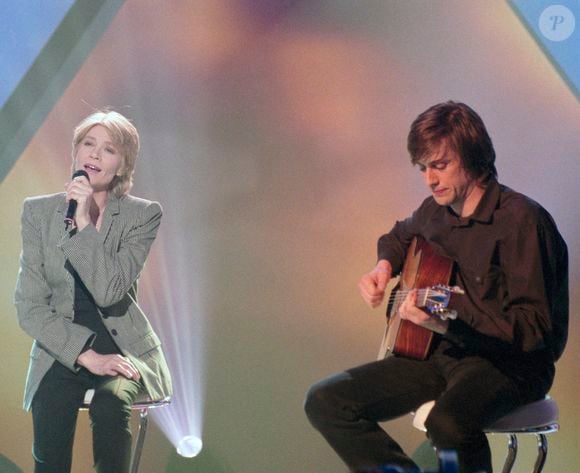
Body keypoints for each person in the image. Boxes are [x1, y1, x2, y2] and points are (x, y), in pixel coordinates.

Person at [304, 101, 568, 473]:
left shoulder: (523, 221)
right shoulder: (435, 212)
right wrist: (383, 267)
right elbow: (398, 236)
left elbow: (534, 330)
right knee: (327, 401)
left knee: (447, 424)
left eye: (440, 165)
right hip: (444, 355)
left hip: (511, 366)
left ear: (472, 159)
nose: (430, 178)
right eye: (423, 167)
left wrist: (448, 322)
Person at [15, 110, 173, 473]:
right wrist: (85, 355)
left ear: (122, 166)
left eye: (109, 149)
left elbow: (108, 291)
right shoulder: (38, 213)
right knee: (51, 410)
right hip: (62, 347)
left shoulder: (142, 215)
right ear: (75, 152)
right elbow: (30, 306)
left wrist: (84, 221)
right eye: (88, 144)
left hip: (121, 349)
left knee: (110, 404)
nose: (95, 155)